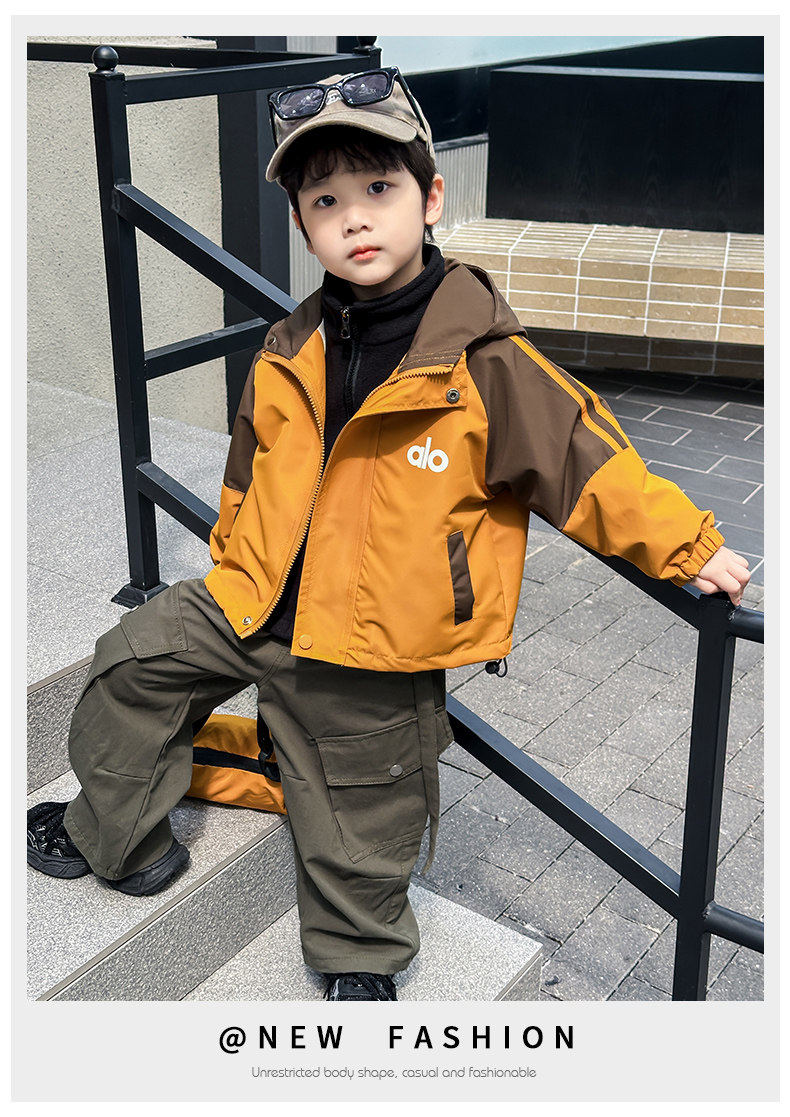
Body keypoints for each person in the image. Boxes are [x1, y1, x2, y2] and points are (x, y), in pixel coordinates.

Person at [27, 67, 751, 1001]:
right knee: (129, 664)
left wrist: (689, 546)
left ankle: (359, 955)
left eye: (379, 188)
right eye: (325, 200)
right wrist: (234, 555)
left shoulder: (487, 364)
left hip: (375, 639)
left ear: (430, 197)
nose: (355, 218)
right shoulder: (290, 344)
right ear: (303, 227)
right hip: (255, 596)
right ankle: (119, 836)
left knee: (368, 805)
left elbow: (587, 461)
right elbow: (248, 463)